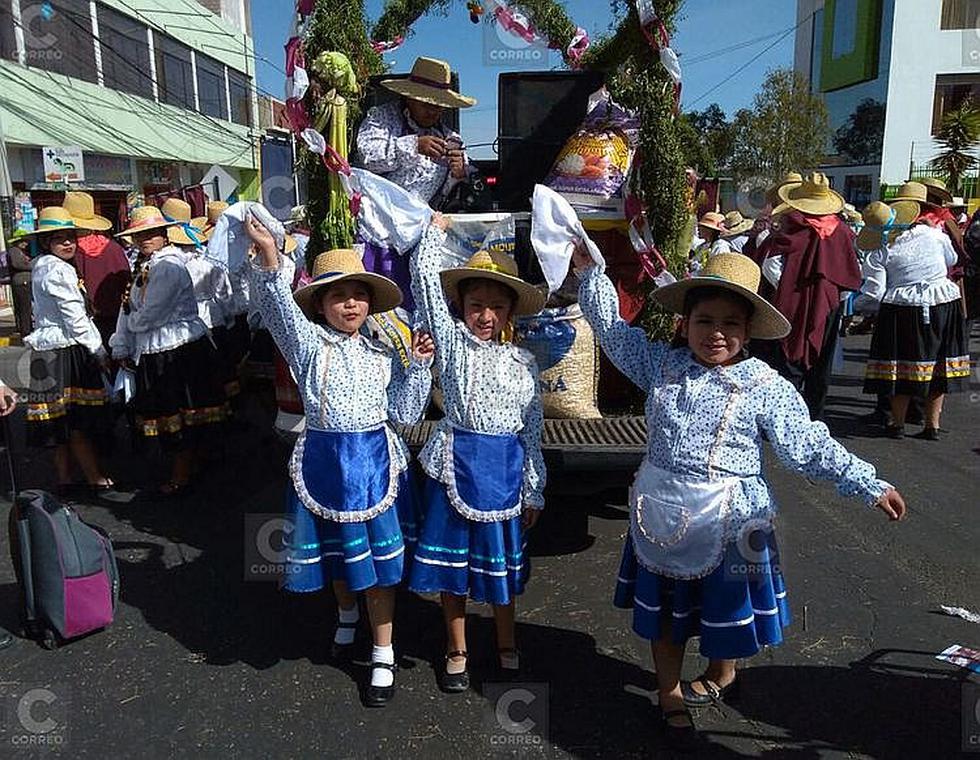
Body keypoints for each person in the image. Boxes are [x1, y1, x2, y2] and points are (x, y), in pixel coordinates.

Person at [571, 246, 907, 753]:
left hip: (737, 519)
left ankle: (722, 671)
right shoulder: (661, 364)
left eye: (731, 322)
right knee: (668, 613)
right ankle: (669, 691)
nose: (717, 333)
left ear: (748, 331)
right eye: (705, 320)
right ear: (685, 324)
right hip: (666, 512)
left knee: (726, 609)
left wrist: (868, 483)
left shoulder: (765, 386)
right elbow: (615, 333)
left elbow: (807, 444)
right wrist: (592, 272)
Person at [245, 215, 433, 707]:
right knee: (336, 556)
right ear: (322, 305)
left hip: (374, 468)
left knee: (376, 567)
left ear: (370, 300)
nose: (349, 303)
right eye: (337, 296)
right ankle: (346, 615)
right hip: (326, 465)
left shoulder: (382, 353)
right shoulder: (308, 348)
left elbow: (406, 414)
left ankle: (384, 651)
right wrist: (269, 258)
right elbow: (278, 311)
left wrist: (417, 368)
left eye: (358, 294)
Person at [407, 214, 546, 692]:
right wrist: (434, 233)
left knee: (499, 568)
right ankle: (457, 646)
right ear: (460, 306)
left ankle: (506, 640)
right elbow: (425, 284)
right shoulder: (453, 346)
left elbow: (531, 434)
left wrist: (533, 490)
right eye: (475, 304)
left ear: (510, 313)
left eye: (495, 307)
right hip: (454, 468)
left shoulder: (524, 365)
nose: (484, 316)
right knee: (453, 569)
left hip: (505, 477)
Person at [109, 207, 228, 497]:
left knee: (179, 412)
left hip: (177, 348)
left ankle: (183, 472)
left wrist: (132, 328)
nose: (144, 240)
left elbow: (151, 314)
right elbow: (133, 309)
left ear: (164, 235)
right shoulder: (147, 265)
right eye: (139, 235)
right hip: (158, 346)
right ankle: (190, 466)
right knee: (174, 411)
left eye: (150, 234)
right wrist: (124, 339)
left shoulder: (168, 267)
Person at [22, 207, 116, 497]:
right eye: (60, 239)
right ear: (48, 241)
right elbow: (75, 318)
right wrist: (97, 349)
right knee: (77, 422)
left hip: (47, 350)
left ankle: (64, 478)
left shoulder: (41, 266)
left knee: (61, 421)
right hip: (66, 350)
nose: (68, 244)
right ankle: (94, 478)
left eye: (71, 238)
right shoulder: (59, 269)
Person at [861, 200, 970, 439]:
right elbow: (951, 260)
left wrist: (859, 309)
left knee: (902, 365)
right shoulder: (933, 234)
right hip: (943, 301)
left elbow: (875, 293)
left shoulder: (880, 250)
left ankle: (897, 423)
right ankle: (932, 425)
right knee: (938, 365)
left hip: (902, 307)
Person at [757, 173, 862, 419]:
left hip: (792, 298)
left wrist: (786, 289)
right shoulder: (842, 231)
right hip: (829, 303)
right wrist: (834, 298)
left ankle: (783, 416)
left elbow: (770, 265)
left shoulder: (791, 225)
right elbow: (851, 270)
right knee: (822, 358)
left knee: (786, 355)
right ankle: (815, 414)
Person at [356, 56, 475, 207]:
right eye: (426, 104)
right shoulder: (382, 118)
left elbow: (447, 196)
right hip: (376, 215)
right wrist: (414, 145)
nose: (432, 111)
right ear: (409, 98)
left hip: (418, 221)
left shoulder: (450, 139)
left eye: (438, 106)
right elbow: (369, 158)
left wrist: (458, 173)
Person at [63, 191, 131, 346]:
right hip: (117, 319)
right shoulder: (113, 247)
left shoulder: (67, 252)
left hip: (84, 322)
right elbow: (127, 283)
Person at [6, 228, 34, 338]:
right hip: (22, 282)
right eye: (24, 241)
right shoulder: (14, 251)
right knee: (24, 307)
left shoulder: (20, 252)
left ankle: (24, 328)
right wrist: (32, 266)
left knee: (24, 307)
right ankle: (26, 330)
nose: (26, 244)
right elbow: (17, 264)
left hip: (23, 281)